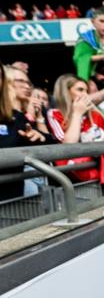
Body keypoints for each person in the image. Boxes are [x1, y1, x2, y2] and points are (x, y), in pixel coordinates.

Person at [46, 74, 104, 191]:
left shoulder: (97, 116)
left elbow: (100, 143)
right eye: (80, 90)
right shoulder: (54, 114)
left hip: (98, 176)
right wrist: (77, 114)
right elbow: (68, 144)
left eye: (86, 91)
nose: (85, 94)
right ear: (66, 92)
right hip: (70, 180)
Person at [0, 64, 49, 201]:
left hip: (13, 201)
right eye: (21, 81)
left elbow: (53, 145)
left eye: (28, 82)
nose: (27, 86)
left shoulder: (14, 117)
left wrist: (39, 137)